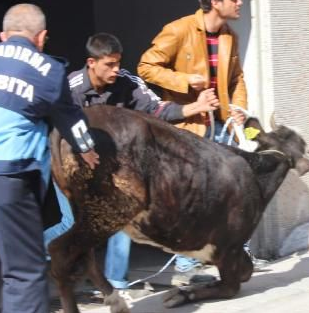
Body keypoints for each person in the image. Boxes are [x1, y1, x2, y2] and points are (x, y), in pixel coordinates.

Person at [44, 32, 219, 294]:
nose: (116, 70)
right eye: (109, 65)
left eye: (118, 63)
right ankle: (28, 254)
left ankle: (116, 283)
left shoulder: (127, 82)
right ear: (91, 62)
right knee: (70, 225)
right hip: (69, 166)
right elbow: (55, 128)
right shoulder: (69, 88)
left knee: (120, 217)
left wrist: (194, 107)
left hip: (110, 168)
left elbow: (157, 111)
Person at [0, 3, 99, 313]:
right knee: (23, 272)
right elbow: (70, 119)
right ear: (42, 38)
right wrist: (86, 148)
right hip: (5, 175)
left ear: (2, 36)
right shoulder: (48, 69)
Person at [138, 0, 268, 282]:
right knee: (191, 197)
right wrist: (185, 81)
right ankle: (186, 265)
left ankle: (236, 255)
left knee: (234, 192)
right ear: (215, 2)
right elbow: (146, 66)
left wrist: (239, 109)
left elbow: (236, 79)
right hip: (189, 128)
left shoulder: (229, 36)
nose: (239, 3)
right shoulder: (179, 29)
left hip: (222, 127)